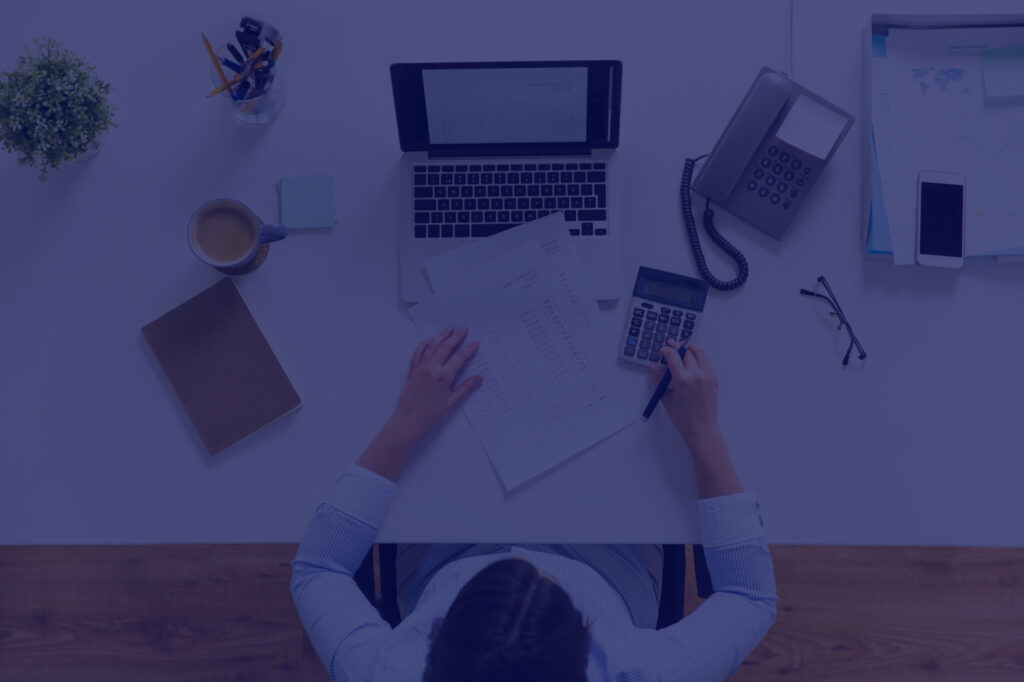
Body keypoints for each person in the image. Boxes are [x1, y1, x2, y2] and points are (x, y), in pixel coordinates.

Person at [291, 326, 777, 681]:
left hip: (447, 551)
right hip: (611, 559)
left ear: (432, 646)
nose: (519, 554)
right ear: (586, 639)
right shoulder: (642, 671)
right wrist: (704, 434)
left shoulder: (388, 670)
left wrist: (406, 421)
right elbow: (750, 597)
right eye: (543, 580)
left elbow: (317, 568)